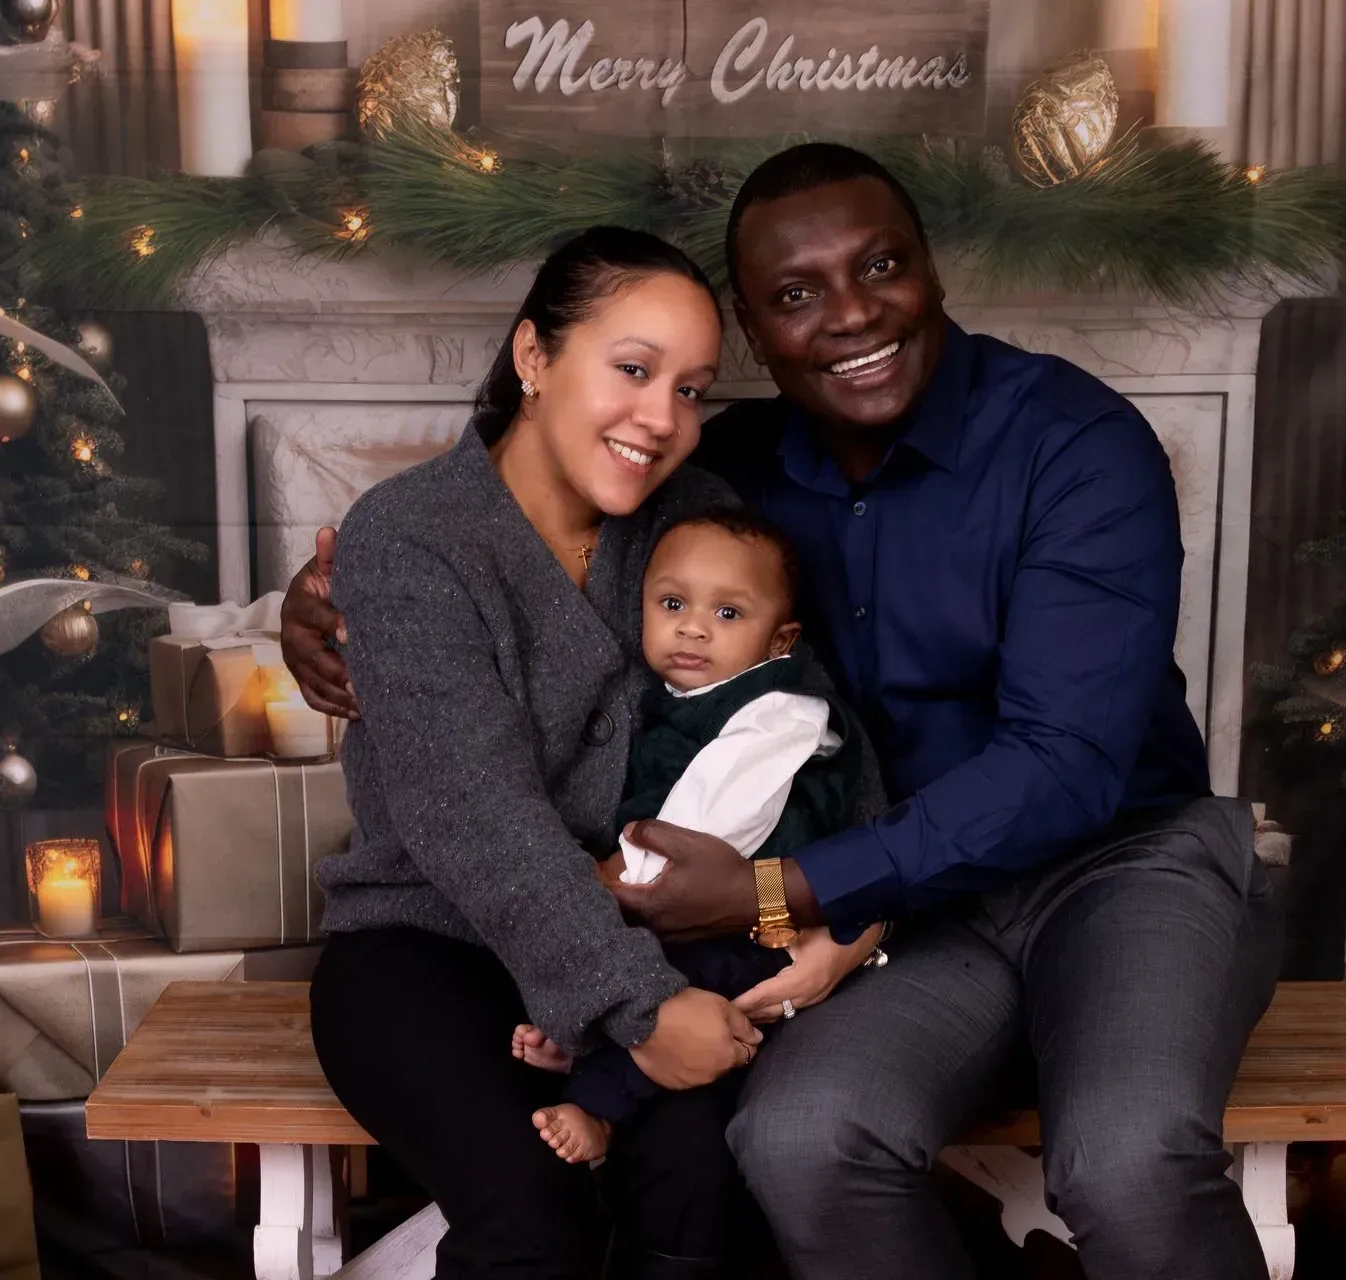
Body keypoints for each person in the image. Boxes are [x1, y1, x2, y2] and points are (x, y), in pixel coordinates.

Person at [285, 144, 1284, 1280]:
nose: (850, 316)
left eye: (882, 266)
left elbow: (1036, 761)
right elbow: (471, 632)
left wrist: (804, 899)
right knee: (787, 1140)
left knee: (1120, 1156)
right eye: (796, 295)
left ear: (933, 270)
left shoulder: (1064, 447)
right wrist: (324, 598)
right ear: (760, 335)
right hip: (826, 917)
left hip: (1101, 866)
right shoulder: (717, 479)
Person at [305, 225, 768, 1280]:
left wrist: (816, 919)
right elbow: (476, 818)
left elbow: (788, 711)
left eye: (693, 390)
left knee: (702, 1182)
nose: (663, 419)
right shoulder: (411, 536)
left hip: (654, 943)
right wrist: (640, 1010)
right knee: (535, 1209)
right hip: (427, 945)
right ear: (533, 356)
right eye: (634, 369)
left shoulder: (701, 523)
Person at [513, 508, 884, 1167]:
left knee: (688, 988)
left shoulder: (781, 709)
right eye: (674, 603)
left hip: (764, 927)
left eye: (729, 615)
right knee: (642, 964)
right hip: (701, 908)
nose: (692, 627)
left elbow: (711, 819)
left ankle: (600, 1108)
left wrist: (612, 874)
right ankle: (587, 1037)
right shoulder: (680, 697)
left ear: (780, 641)